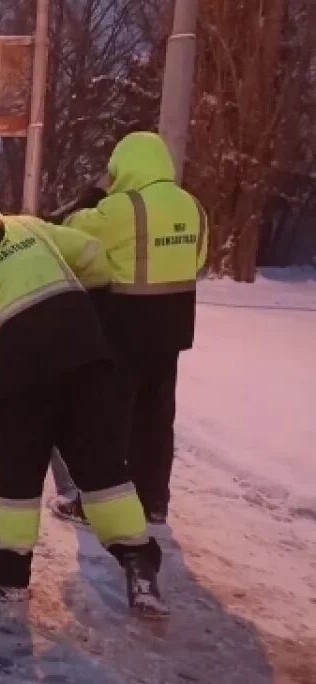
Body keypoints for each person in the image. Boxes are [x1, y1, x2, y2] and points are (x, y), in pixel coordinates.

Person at [0, 205, 168, 617]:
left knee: (18, 480)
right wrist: (83, 310)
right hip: (86, 358)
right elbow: (92, 255)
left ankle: (7, 578)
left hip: (19, 377)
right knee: (102, 469)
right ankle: (139, 562)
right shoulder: (23, 225)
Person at [50, 131, 208, 525]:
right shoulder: (193, 206)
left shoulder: (122, 207)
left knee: (109, 421)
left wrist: (96, 190)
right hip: (172, 329)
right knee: (155, 420)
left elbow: (69, 229)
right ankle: (153, 501)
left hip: (124, 327)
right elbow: (198, 261)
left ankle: (102, 507)